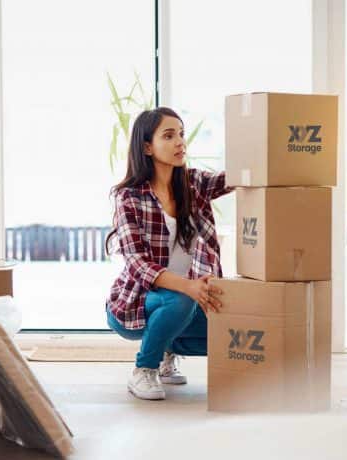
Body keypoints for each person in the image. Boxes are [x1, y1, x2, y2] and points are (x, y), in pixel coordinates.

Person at [104, 107, 233, 400]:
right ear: (147, 147)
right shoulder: (129, 197)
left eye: (182, 134)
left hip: (186, 300)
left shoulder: (194, 184)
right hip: (137, 302)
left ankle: (165, 348)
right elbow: (137, 264)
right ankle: (144, 369)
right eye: (169, 135)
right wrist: (188, 286)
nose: (180, 142)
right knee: (180, 299)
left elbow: (237, 177)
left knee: (230, 334)